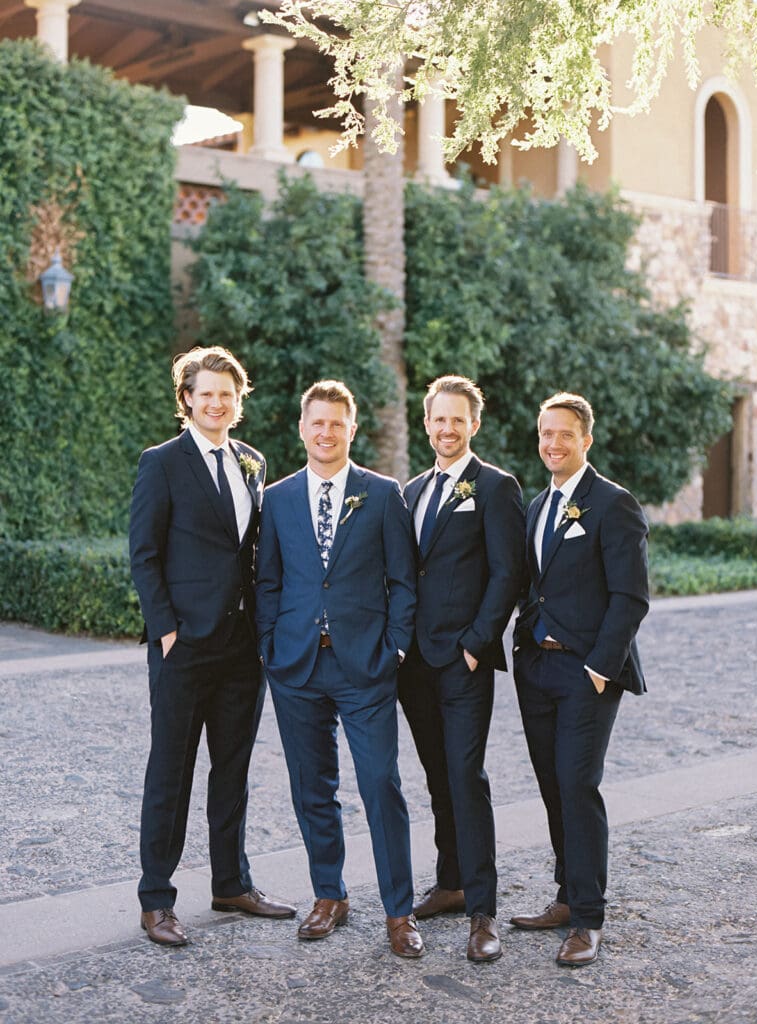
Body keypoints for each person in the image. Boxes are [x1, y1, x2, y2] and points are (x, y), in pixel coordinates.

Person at [129, 345, 295, 947]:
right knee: (170, 772)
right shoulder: (161, 463)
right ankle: (156, 899)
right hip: (184, 647)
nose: (218, 403)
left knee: (233, 769)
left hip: (241, 648)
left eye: (228, 394)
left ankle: (231, 882)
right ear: (187, 400)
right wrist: (166, 629)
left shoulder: (253, 460)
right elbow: (144, 554)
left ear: (238, 400)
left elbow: (253, 552)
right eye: (207, 393)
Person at [255, 380, 423, 958]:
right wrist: (269, 648)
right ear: (301, 428)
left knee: (381, 785)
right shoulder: (275, 499)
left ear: (352, 430)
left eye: (336, 424)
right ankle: (330, 895)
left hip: (365, 668)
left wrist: (395, 647)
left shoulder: (381, 494)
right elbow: (269, 582)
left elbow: (403, 581)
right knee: (312, 788)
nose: (326, 433)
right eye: (316, 423)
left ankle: (399, 912)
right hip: (296, 666)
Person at [510, 392, 649, 967]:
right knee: (551, 785)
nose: (553, 443)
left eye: (565, 434)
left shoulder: (613, 504)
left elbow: (631, 596)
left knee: (577, 784)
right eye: (545, 433)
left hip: (587, 670)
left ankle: (589, 918)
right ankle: (567, 896)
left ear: (585, 439)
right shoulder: (539, 503)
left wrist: (599, 667)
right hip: (537, 668)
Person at [398, 375, 526, 963]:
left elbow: (508, 573)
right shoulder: (412, 489)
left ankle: (482, 910)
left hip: (464, 661)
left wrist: (478, 644)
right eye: (437, 419)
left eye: (458, 420)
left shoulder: (496, 487)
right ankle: (449, 882)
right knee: (436, 777)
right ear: (425, 424)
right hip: (415, 666)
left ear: (474, 425)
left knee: (466, 778)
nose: (447, 429)